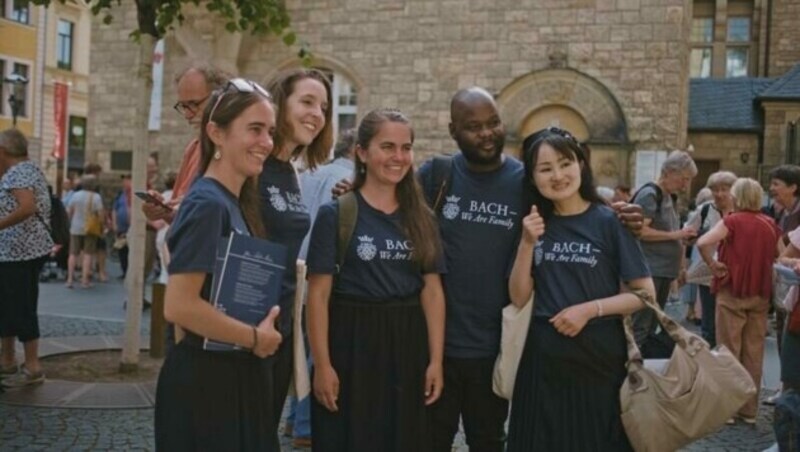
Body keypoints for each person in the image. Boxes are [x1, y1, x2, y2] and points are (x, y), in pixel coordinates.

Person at [154, 78, 283, 449]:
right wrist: (256, 338)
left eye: (270, 131)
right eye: (255, 129)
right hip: (208, 386)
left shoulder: (233, 201)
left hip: (231, 376)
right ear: (217, 133)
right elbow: (179, 306)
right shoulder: (208, 203)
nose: (266, 143)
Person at [506, 128, 654, 451]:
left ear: (581, 165)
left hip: (598, 361)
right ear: (533, 178)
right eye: (545, 169)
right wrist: (527, 243)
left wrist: (589, 310)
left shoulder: (610, 221)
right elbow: (519, 297)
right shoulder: (532, 223)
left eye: (564, 163)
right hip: (541, 363)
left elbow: (645, 295)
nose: (557, 176)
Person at [306, 108, 445, 451]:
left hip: (408, 344)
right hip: (351, 342)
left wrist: (436, 361)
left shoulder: (422, 217)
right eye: (388, 147)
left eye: (406, 147)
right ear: (363, 153)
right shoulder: (336, 214)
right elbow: (318, 297)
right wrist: (322, 365)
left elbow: (432, 292)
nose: (398, 157)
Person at [261, 68, 334, 429]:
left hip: (282, 328)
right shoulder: (253, 164)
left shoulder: (288, 171)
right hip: (248, 330)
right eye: (307, 102)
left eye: (323, 106)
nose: (317, 114)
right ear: (278, 104)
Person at [286, 127, 356, 448]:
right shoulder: (351, 178)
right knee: (317, 347)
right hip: (323, 268)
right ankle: (304, 426)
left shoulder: (312, 172)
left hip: (297, 265)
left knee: (300, 347)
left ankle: (292, 419)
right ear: (357, 149)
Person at [697, 177, 780, 424]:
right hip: (760, 294)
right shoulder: (769, 223)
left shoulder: (731, 221)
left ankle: (729, 410)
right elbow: (781, 254)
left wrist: (712, 263)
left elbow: (703, 242)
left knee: (729, 350)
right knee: (754, 353)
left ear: (738, 196)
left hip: (732, 290)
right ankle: (749, 410)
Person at [142, 62, 229, 223]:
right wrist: (163, 209)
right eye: (183, 106)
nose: (188, 115)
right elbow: (177, 216)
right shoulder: (194, 148)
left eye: (195, 104)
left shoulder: (235, 146)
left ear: (219, 97)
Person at [0, 128, 53, 387]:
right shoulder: (29, 169)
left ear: (3, 151)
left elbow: (27, 206)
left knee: (21, 306)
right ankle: (7, 360)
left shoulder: (17, 173)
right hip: (20, 251)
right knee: (10, 305)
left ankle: (32, 365)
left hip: (18, 252)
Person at [631, 150, 697, 349]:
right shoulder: (651, 194)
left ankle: (645, 369)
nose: (685, 185)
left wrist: (680, 268)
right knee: (641, 324)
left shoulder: (670, 197)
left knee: (652, 324)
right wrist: (674, 236)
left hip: (663, 271)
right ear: (668, 172)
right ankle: (633, 370)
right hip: (650, 270)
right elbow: (640, 231)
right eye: (683, 179)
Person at [684, 171, 736, 347]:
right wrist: (698, 236)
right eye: (715, 189)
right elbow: (687, 235)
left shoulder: (741, 209)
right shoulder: (705, 209)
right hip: (709, 271)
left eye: (724, 189)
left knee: (730, 319)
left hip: (734, 272)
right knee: (709, 318)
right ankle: (710, 358)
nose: (719, 194)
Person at [65, 174, 104, 289]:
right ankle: (84, 280)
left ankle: (70, 279)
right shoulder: (96, 197)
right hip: (90, 229)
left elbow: (70, 211)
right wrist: (102, 226)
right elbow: (100, 215)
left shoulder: (75, 195)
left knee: (73, 254)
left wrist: (71, 222)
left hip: (75, 227)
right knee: (88, 254)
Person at [111, 174, 132, 279]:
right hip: (121, 227)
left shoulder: (132, 195)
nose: (124, 183)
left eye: (127, 180)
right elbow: (114, 209)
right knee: (122, 250)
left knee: (130, 250)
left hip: (131, 227)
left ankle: (130, 271)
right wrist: (114, 223)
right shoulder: (120, 194)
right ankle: (124, 271)